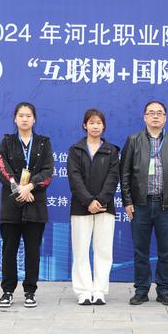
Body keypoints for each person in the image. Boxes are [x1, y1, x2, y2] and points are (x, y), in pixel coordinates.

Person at [120, 101, 168, 306]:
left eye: (159, 113)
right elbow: (125, 173)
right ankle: (141, 290)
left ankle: (164, 290)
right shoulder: (134, 140)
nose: (155, 116)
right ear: (145, 117)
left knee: (166, 251)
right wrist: (127, 201)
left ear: (165, 117)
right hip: (140, 205)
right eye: (151, 113)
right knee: (140, 251)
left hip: (166, 206)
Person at [0, 102, 54, 308]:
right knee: (9, 250)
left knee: (32, 251)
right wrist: (18, 189)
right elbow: (2, 168)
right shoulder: (7, 142)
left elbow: (48, 171)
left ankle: (30, 291)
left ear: (34, 119)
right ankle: (7, 291)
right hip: (11, 204)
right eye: (21, 115)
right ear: (15, 118)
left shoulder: (43, 143)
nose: (25, 119)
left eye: (28, 115)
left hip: (35, 204)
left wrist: (30, 186)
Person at [67, 109, 119, 306]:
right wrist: (88, 201)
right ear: (85, 125)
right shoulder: (75, 150)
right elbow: (74, 178)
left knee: (103, 251)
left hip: (105, 207)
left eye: (99, 123)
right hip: (81, 207)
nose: (95, 126)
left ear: (103, 126)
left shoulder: (112, 150)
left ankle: (99, 291)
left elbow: (113, 178)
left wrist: (101, 200)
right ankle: (83, 291)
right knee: (80, 251)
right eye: (91, 122)